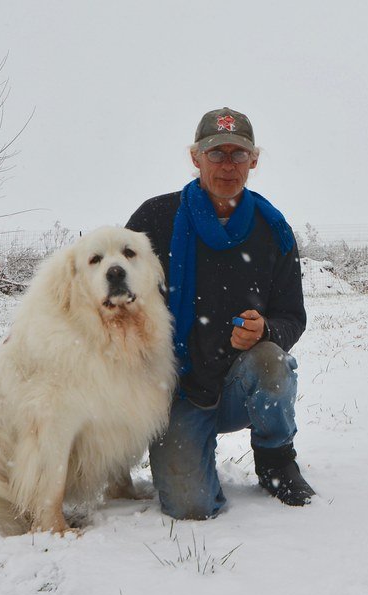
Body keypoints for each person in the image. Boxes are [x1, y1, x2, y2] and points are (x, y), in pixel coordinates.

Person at [126, 107, 315, 520]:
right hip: (175, 389)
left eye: (238, 154)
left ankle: (275, 460)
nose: (228, 165)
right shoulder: (154, 219)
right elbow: (115, 290)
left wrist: (265, 328)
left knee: (271, 360)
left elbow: (292, 317)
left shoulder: (274, 230)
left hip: (239, 384)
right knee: (189, 506)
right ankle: (190, 448)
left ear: (254, 160)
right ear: (196, 158)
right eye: (216, 153)